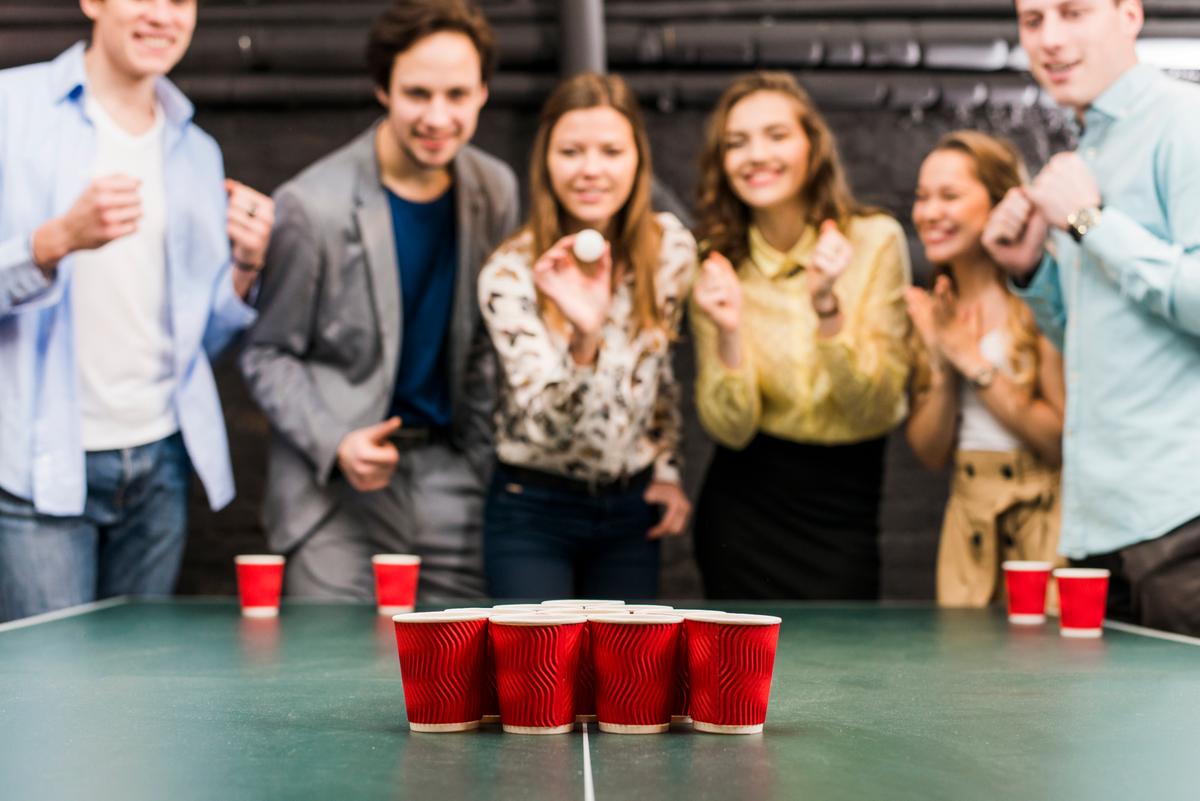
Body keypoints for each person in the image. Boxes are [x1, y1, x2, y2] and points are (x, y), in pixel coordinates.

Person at [0, 0, 274, 622]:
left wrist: (248, 268)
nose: (160, 15)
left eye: (179, 0)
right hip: (34, 468)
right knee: (50, 698)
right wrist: (54, 240)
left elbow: (199, 345)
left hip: (158, 463)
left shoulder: (195, 149)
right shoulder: (9, 110)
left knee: (135, 701)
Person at [239, 0, 518, 602]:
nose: (438, 116)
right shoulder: (311, 205)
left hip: (454, 484)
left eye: (457, 94)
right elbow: (267, 353)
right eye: (418, 93)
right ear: (383, 89)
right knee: (333, 688)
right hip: (336, 495)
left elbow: (485, 344)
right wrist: (337, 443)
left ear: (483, 94)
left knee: (459, 685)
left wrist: (479, 462)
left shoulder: (494, 190)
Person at [983, 0, 1200, 635]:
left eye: (1073, 13)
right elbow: (1097, 341)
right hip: (1101, 526)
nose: (1050, 39)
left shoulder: (1185, 124)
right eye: (1032, 20)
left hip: (1180, 524)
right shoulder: (1093, 147)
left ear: (1130, 13)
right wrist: (1032, 275)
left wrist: (1089, 223)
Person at [689, 72, 911, 601]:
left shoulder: (874, 240)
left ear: (813, 147)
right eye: (736, 143)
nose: (756, 155)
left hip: (843, 505)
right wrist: (728, 333)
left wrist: (827, 307)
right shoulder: (716, 263)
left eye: (776, 135)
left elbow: (874, 411)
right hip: (743, 514)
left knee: (841, 681)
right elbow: (730, 428)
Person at [478, 72, 695, 600]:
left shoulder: (669, 249)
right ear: (546, 162)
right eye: (572, 151)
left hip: (629, 511)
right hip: (533, 504)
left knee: (628, 680)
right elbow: (549, 426)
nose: (591, 169)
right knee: (536, 679)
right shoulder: (510, 273)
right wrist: (586, 337)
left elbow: (657, 375)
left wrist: (665, 468)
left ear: (637, 159)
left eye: (611, 151)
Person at [906, 131, 1065, 607]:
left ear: (998, 202)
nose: (930, 213)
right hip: (968, 519)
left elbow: (1057, 440)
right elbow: (931, 453)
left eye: (950, 196)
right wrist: (940, 359)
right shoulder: (930, 308)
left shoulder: (1037, 295)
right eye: (922, 197)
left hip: (1041, 517)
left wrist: (970, 360)